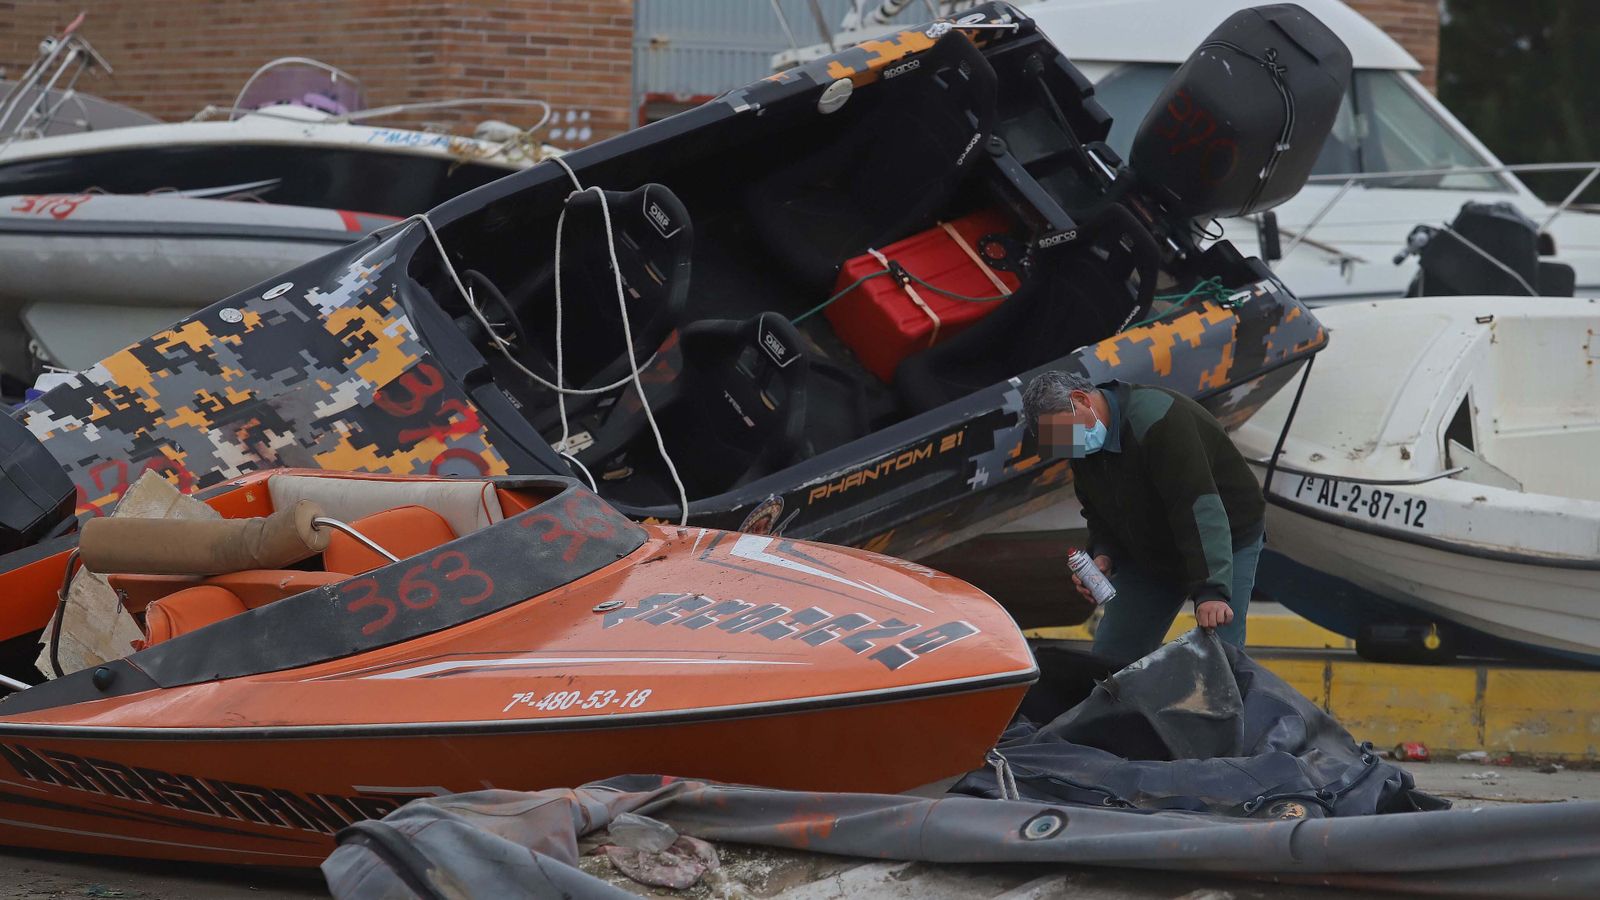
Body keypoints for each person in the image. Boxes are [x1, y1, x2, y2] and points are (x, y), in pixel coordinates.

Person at [1021, 370, 1265, 664]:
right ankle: (1115, 709)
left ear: (1081, 400)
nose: (1065, 446)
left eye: (1063, 433)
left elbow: (1199, 507)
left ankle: (1229, 702)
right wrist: (1103, 555)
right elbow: (1099, 511)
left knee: (1222, 657)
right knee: (1113, 656)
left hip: (1224, 535)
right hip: (1152, 548)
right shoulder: (1077, 441)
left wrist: (1213, 590)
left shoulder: (1159, 420)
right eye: (1056, 440)